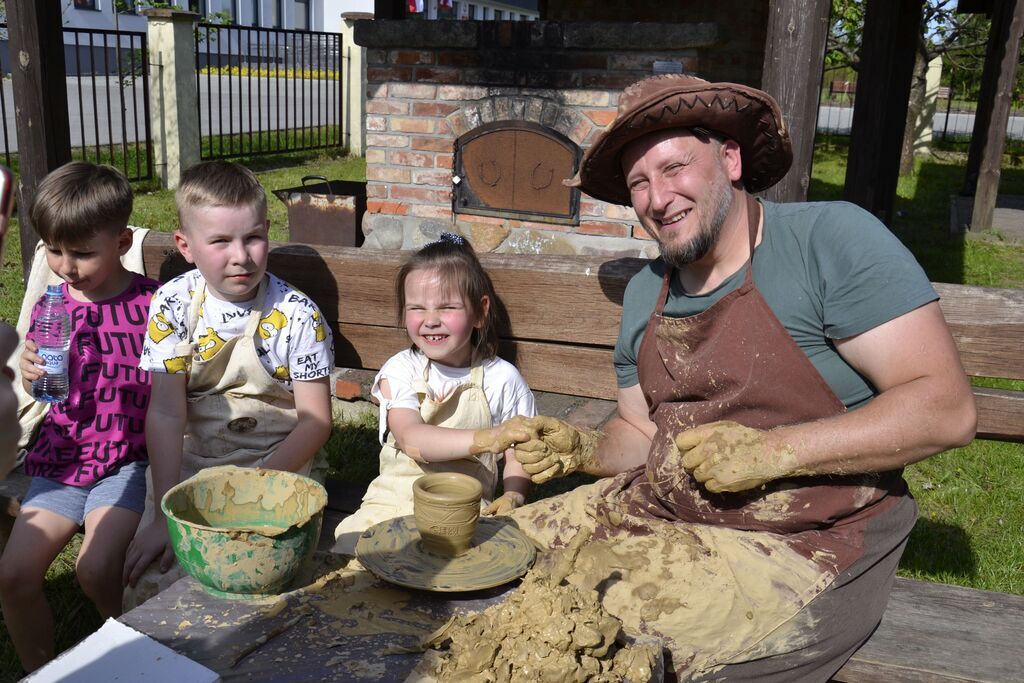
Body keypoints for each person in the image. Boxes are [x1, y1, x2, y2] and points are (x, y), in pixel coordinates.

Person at [492, 73, 977, 681]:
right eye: (639, 182)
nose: (657, 197)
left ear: (730, 158)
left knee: (599, 652)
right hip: (656, 511)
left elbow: (945, 409)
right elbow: (642, 434)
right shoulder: (647, 291)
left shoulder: (829, 241)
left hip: (799, 538)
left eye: (673, 169)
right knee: (482, 561)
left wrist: (774, 452)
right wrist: (583, 448)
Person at [122, 160, 334, 607]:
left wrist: (253, 486)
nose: (241, 255)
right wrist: (164, 512)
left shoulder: (297, 314)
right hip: (193, 462)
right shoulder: (173, 305)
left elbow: (315, 423)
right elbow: (165, 412)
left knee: (256, 581)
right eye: (220, 241)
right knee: (150, 588)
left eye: (253, 237)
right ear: (186, 246)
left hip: (276, 461)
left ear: (267, 232)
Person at [0, 161, 158, 672]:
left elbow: (177, 391)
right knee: (15, 576)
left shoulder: (156, 305)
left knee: (96, 568)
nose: (65, 266)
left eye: (82, 253)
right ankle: (42, 672)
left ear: (122, 240)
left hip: (129, 459)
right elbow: (41, 385)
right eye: (53, 249)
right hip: (62, 457)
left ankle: (135, 652)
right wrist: (27, 373)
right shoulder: (53, 303)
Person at [333, 233, 535, 554]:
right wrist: (488, 439)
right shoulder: (400, 370)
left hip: (467, 511)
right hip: (394, 500)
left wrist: (514, 495)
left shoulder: (502, 379)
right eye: (417, 308)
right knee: (353, 553)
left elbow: (519, 455)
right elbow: (412, 439)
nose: (430, 321)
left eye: (447, 307)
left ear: (480, 312)